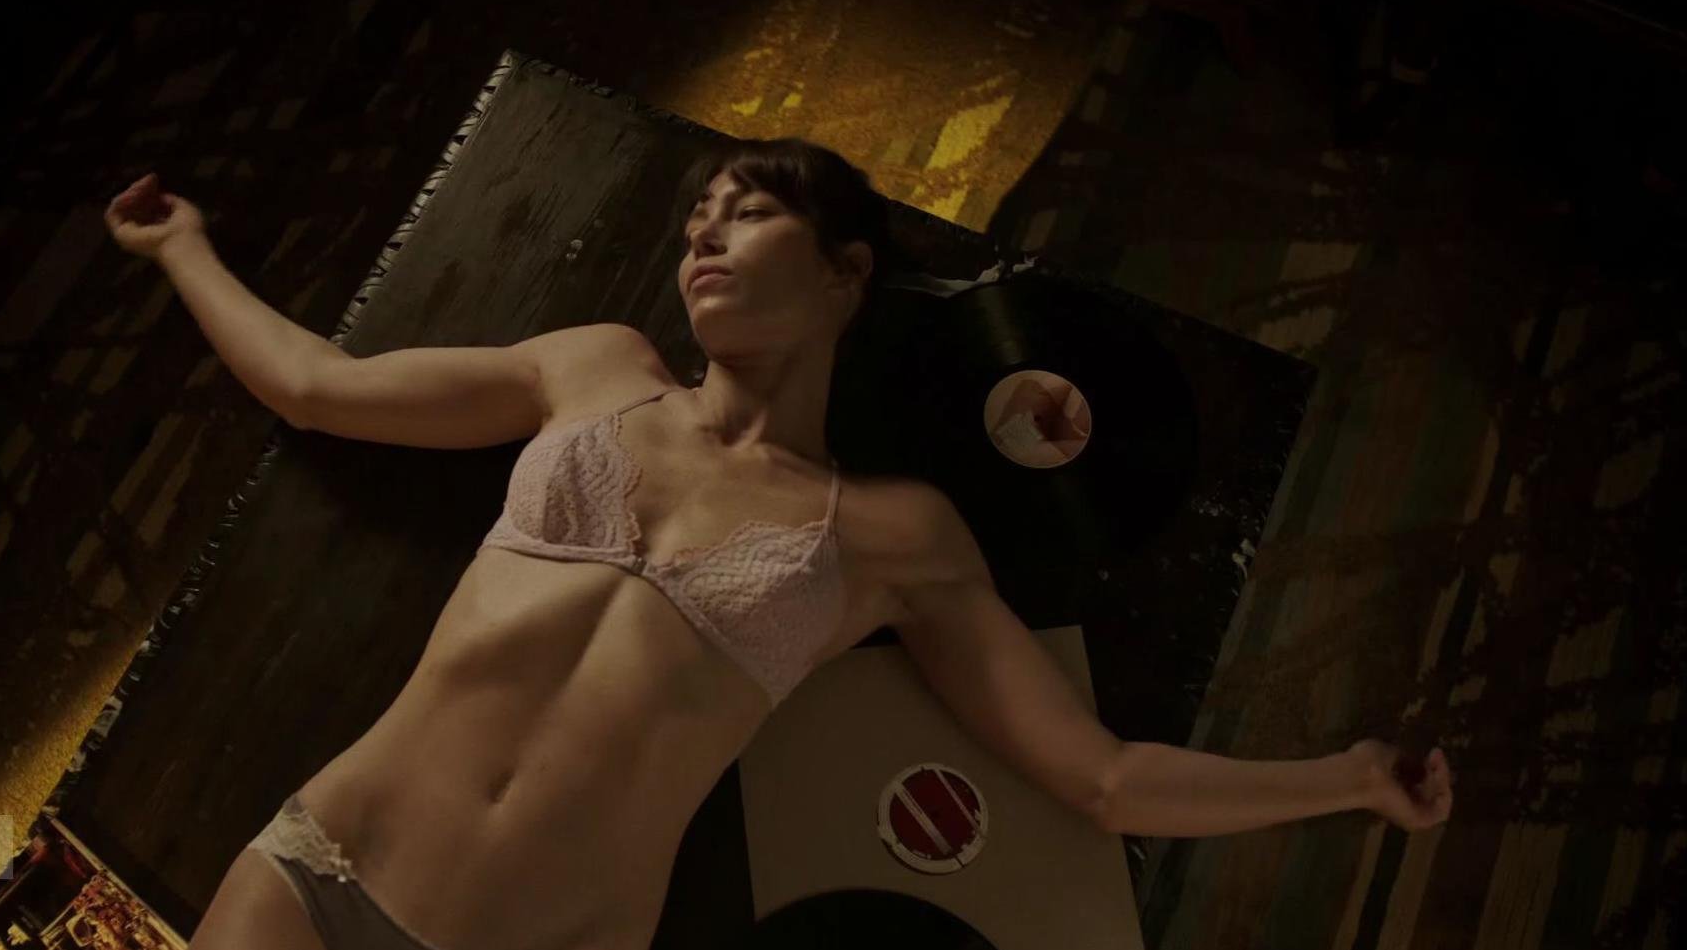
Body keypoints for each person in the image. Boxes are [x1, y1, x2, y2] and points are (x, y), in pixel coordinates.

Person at [102, 138, 1454, 950]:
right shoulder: (596, 371)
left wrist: (1344, 780)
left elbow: (1100, 779)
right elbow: (321, 388)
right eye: (697, 217)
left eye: (746, 212)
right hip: (321, 868)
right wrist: (183, 251)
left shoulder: (892, 535)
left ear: (846, 270)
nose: (704, 233)